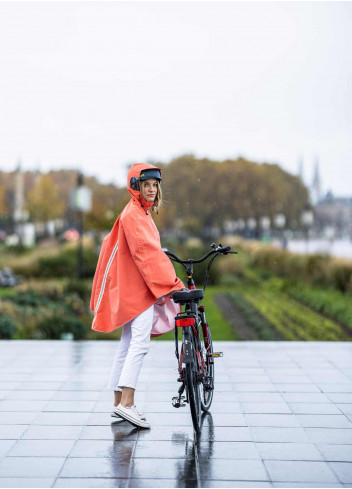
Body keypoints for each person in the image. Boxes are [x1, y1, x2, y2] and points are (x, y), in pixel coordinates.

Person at [90, 163, 185, 429]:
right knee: (139, 343)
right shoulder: (135, 214)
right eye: (147, 185)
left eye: (155, 185)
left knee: (127, 343)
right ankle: (127, 404)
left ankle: (118, 403)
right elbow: (148, 255)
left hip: (133, 288)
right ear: (136, 186)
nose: (152, 190)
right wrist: (174, 283)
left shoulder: (138, 212)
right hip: (137, 291)